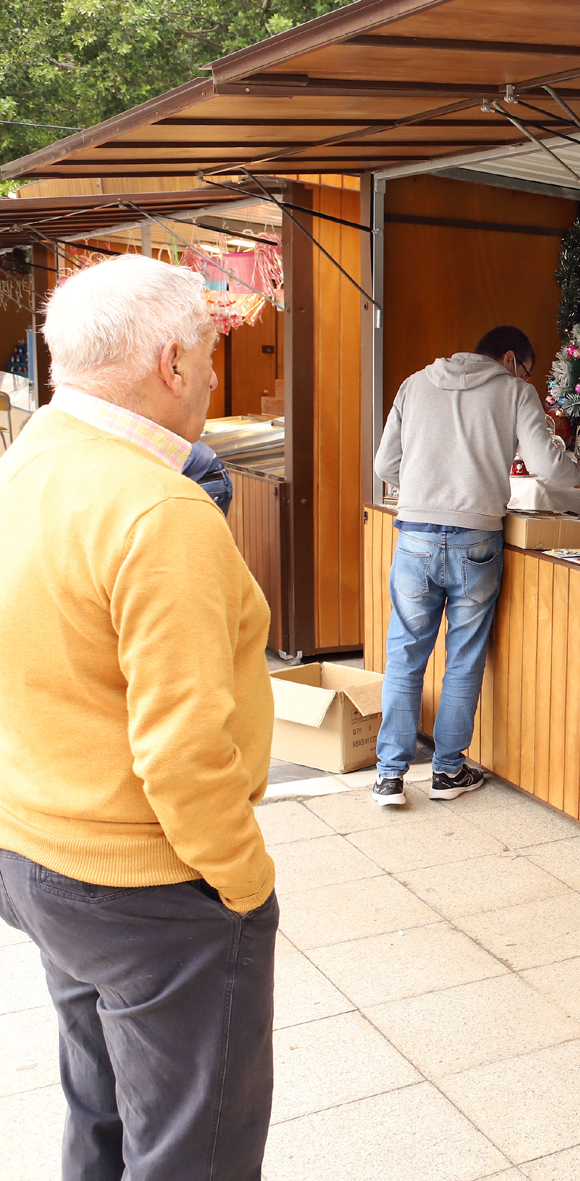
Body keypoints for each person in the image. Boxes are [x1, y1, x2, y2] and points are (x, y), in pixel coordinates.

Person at [0, 254, 278, 1180]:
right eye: (204, 355)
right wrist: (242, 881)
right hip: (146, 883)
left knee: (104, 1108)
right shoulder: (159, 508)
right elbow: (184, 748)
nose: (208, 374)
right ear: (168, 362)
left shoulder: (30, 456)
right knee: (194, 1148)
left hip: (40, 851)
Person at [373, 326, 580, 807]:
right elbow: (548, 468)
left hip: (415, 539)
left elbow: (386, 466)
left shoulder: (414, 384)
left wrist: (427, 480)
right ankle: (447, 771)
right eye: (526, 368)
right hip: (477, 541)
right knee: (463, 658)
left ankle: (389, 776)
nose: (526, 376)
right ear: (510, 358)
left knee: (405, 656)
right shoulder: (514, 392)